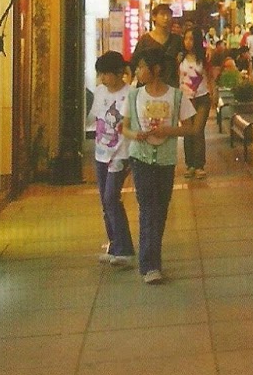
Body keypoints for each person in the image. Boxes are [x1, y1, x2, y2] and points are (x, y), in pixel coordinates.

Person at [122, 47, 198, 284]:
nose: (137, 71)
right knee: (148, 209)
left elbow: (190, 128)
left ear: (155, 69)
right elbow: (124, 127)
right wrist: (135, 135)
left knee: (161, 210)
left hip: (166, 160)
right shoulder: (134, 95)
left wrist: (169, 131)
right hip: (140, 158)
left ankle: (152, 258)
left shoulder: (176, 96)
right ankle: (150, 266)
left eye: (141, 67)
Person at [87, 51, 134, 267]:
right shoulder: (99, 92)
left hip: (120, 153)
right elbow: (96, 117)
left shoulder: (130, 94)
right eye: (100, 74)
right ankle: (114, 246)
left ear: (118, 73)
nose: (103, 78)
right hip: (101, 153)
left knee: (111, 198)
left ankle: (124, 249)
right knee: (105, 202)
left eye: (106, 74)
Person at [177, 27, 212, 180]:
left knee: (197, 130)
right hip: (185, 99)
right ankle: (190, 164)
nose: (188, 42)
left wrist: (214, 93)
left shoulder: (204, 57)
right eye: (186, 39)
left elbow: (210, 76)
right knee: (188, 132)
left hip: (202, 97)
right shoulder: (180, 58)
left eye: (191, 39)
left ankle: (199, 165)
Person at [133, 2, 184, 87]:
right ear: (154, 17)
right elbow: (135, 61)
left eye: (168, 15)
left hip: (170, 85)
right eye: (162, 14)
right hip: (148, 86)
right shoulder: (145, 40)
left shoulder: (177, 40)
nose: (166, 18)